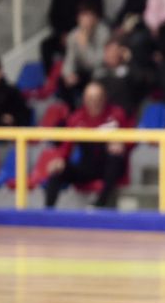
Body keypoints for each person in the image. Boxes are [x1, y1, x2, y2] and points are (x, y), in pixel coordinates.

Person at [44, 81, 128, 209]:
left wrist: (121, 144)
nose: (94, 102)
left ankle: (100, 203)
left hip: (110, 166)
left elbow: (130, 139)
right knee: (58, 169)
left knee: (115, 159)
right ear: (84, 99)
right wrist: (60, 159)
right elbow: (67, 145)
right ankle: (47, 211)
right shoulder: (76, 118)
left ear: (104, 98)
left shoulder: (117, 114)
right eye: (90, 98)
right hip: (87, 165)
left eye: (97, 98)